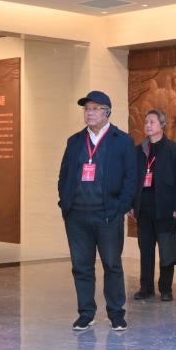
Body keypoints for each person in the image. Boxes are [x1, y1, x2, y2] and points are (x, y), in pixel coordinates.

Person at [57, 91, 137, 332]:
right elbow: (64, 175)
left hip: (107, 215)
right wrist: (65, 203)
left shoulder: (122, 141)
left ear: (107, 112)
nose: (89, 113)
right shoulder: (74, 141)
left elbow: (131, 178)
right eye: (86, 109)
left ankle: (116, 314)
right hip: (77, 216)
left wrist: (120, 207)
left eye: (94, 108)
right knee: (81, 266)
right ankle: (86, 313)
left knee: (112, 265)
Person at [129, 109, 176, 302]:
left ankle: (166, 289)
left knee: (166, 251)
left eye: (152, 122)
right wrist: (131, 204)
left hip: (166, 208)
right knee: (145, 250)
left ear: (162, 125)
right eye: (146, 122)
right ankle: (146, 288)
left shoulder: (174, 150)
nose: (147, 125)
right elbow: (132, 179)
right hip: (143, 208)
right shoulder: (139, 150)